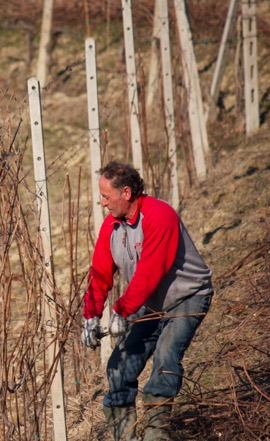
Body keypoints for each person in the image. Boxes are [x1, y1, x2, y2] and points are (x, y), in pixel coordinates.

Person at [81, 162, 213, 441]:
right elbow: (100, 273)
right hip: (150, 302)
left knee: (166, 357)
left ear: (126, 192)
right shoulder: (112, 227)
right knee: (119, 366)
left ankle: (156, 434)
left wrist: (121, 310)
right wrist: (91, 315)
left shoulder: (159, 215)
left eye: (106, 196)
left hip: (187, 295)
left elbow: (150, 271)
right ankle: (125, 436)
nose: (102, 202)